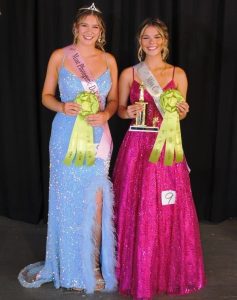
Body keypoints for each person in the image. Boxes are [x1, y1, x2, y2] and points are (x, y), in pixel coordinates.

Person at [18, 3, 118, 293]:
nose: (89, 31)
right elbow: (45, 96)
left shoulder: (109, 60)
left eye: (95, 27)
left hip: (98, 136)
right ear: (76, 27)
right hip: (65, 134)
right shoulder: (59, 56)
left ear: (101, 32)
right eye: (84, 25)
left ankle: (93, 266)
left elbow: (112, 101)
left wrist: (108, 114)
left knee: (95, 201)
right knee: (66, 199)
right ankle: (67, 266)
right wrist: (62, 105)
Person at [113, 18, 206, 299]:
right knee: (136, 205)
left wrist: (183, 110)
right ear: (140, 42)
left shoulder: (179, 73)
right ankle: (134, 269)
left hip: (167, 147)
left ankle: (163, 268)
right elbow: (118, 108)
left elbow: (180, 113)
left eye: (156, 37)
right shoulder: (130, 73)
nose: (151, 42)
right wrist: (126, 112)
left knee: (167, 208)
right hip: (136, 145)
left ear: (164, 41)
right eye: (145, 37)